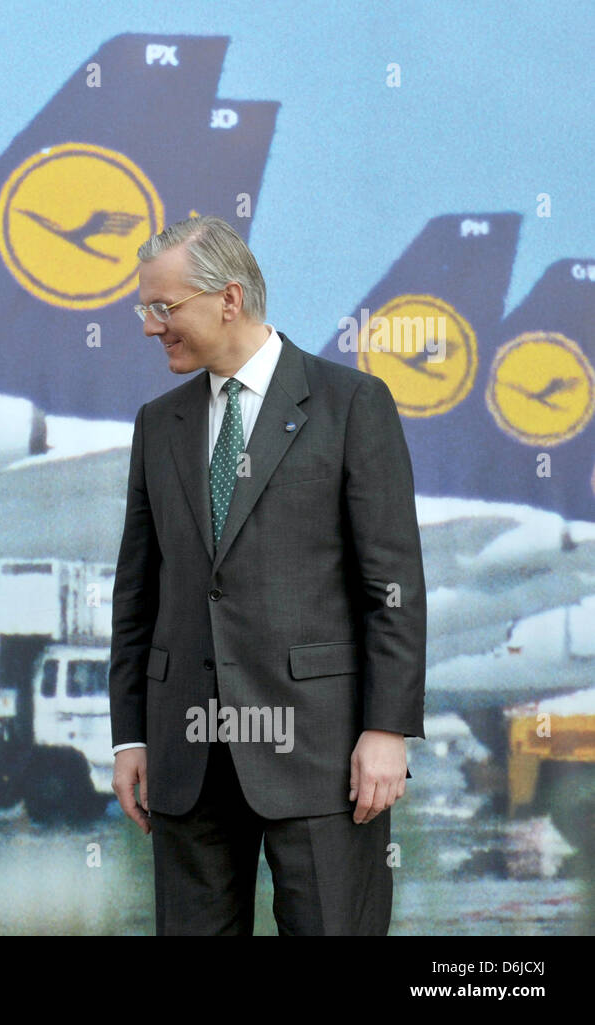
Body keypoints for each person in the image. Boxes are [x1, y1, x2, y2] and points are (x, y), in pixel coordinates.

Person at [108, 217, 426, 935]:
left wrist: (387, 728)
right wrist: (131, 736)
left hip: (323, 759)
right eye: (145, 309)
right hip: (187, 761)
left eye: (164, 307)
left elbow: (393, 587)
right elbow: (138, 596)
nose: (152, 326)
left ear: (227, 299)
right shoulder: (158, 424)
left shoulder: (352, 405)